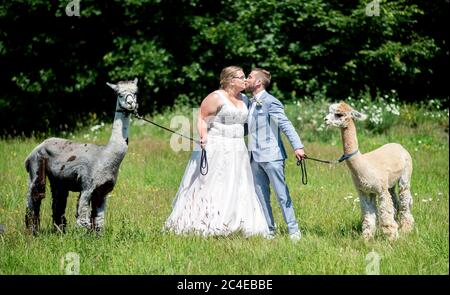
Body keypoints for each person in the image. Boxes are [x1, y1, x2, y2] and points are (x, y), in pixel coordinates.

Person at [164, 66, 270, 237]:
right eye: (241, 77)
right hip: (217, 146)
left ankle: (236, 223)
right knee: (213, 183)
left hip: (237, 148)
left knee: (238, 184)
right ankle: (206, 222)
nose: (245, 80)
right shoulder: (215, 97)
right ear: (229, 80)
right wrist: (203, 136)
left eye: (245, 76)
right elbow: (202, 118)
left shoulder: (245, 99)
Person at [245, 68, 305, 241]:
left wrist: (298, 146)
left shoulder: (271, 102)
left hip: (272, 156)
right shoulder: (250, 102)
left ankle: (294, 231)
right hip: (254, 158)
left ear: (258, 82)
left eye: (249, 77)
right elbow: (247, 128)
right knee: (261, 196)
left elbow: (286, 125)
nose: (246, 80)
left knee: (281, 194)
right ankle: (269, 230)